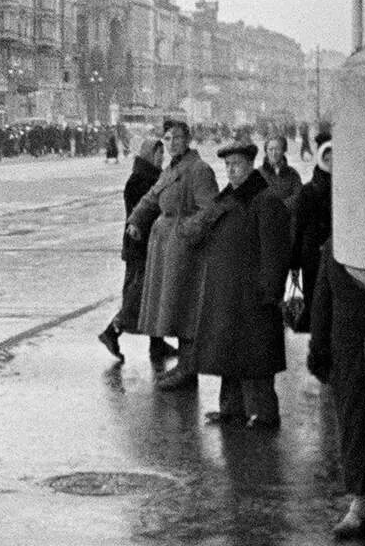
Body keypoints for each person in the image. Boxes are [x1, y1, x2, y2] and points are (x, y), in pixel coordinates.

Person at [179, 141, 293, 428]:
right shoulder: (226, 198)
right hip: (228, 292)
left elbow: (274, 250)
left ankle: (265, 414)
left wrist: (271, 291)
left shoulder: (265, 200)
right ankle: (231, 409)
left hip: (253, 293)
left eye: (237, 165)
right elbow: (197, 232)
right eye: (227, 166)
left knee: (256, 359)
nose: (231, 171)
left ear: (250, 165)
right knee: (229, 353)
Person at [128, 120, 220, 388]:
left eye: (177, 138)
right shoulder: (172, 168)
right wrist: (136, 220)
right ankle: (183, 366)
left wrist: (185, 230)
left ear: (188, 139)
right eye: (167, 139)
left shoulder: (198, 169)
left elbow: (210, 209)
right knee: (175, 309)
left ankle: (188, 369)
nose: (171, 143)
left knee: (186, 310)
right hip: (168, 250)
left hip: (187, 251)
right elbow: (151, 197)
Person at [308, 236, 365, 538]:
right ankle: (362, 503)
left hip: (352, 342)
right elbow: (323, 301)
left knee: (355, 421)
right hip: (352, 343)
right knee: (356, 422)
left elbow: (322, 302)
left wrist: (319, 350)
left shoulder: (339, 243)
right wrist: (319, 349)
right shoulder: (338, 245)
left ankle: (361, 505)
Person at [100, 138, 174, 366]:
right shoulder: (140, 181)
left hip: (151, 245)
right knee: (138, 294)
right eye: (158, 154)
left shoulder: (153, 178)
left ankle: (157, 343)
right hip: (139, 248)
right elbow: (141, 215)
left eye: (162, 154)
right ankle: (112, 330)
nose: (162, 158)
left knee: (154, 294)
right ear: (148, 155)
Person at [289, 139, 335, 333]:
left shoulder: (345, 188)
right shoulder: (308, 190)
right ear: (320, 158)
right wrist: (294, 263)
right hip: (312, 257)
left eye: (334, 157)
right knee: (314, 299)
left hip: (336, 256)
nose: (331, 160)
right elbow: (298, 228)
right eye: (326, 157)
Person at [258, 135, 302, 203]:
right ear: (266, 151)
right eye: (270, 149)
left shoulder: (292, 174)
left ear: (283, 150)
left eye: (277, 149)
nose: (274, 153)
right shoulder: (258, 173)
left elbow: (298, 196)